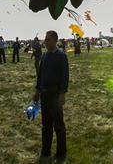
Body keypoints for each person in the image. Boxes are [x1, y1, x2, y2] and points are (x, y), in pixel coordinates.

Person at [33, 30, 68, 163]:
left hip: (55, 95)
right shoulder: (45, 56)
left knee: (58, 126)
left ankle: (61, 153)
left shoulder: (61, 56)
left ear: (55, 40)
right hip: (44, 94)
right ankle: (45, 152)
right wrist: (37, 91)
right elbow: (40, 75)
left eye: (48, 40)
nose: (45, 42)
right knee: (46, 125)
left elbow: (65, 77)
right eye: (45, 39)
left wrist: (62, 94)